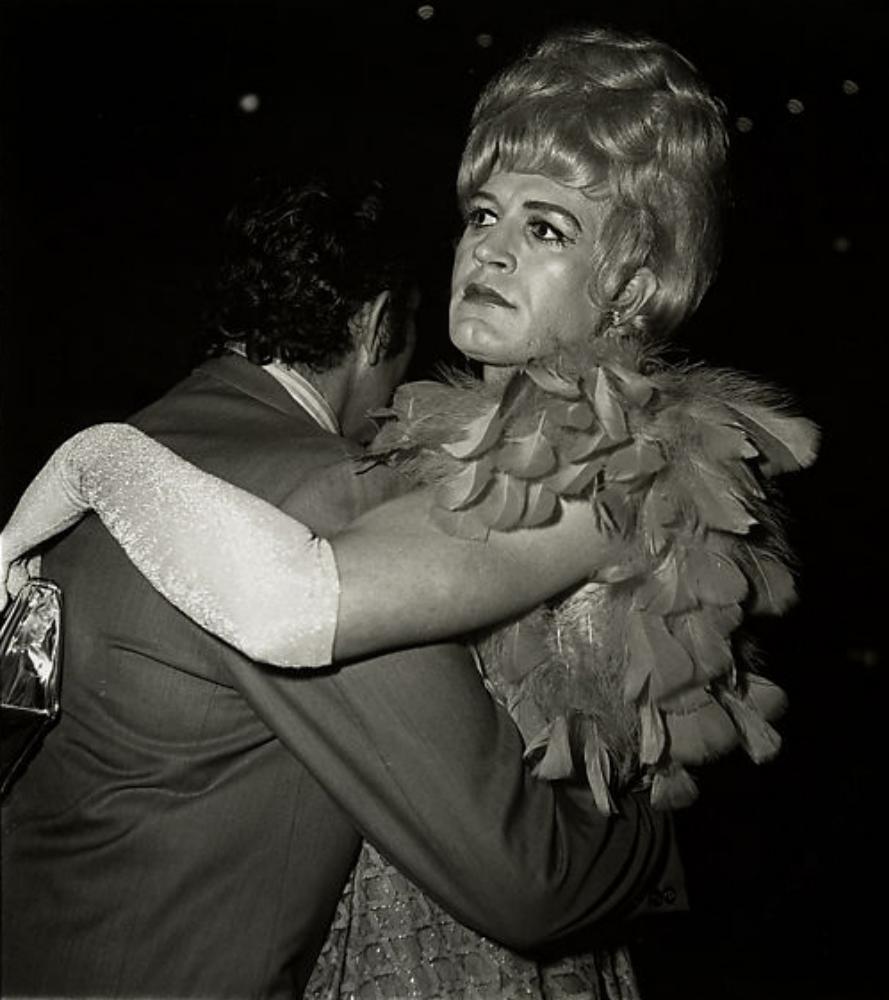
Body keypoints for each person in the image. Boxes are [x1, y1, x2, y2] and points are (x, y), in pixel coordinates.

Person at [2, 26, 818, 999]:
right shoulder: (439, 449)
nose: (491, 251)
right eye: (483, 213)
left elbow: (294, 602)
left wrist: (90, 460)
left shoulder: (601, 469)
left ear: (635, 284)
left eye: (546, 228)